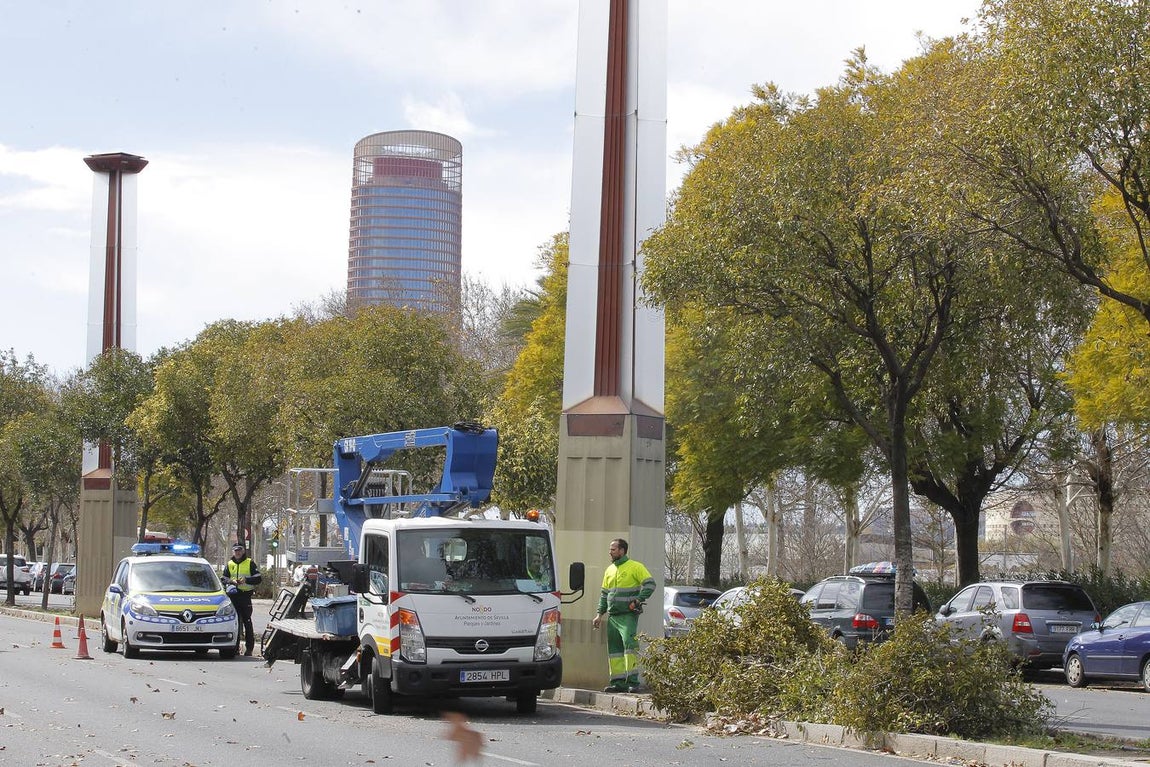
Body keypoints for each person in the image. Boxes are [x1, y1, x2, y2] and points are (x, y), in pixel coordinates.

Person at [591, 538, 656, 693]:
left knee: (629, 645)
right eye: (610, 549)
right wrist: (599, 614)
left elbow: (650, 584)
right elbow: (604, 594)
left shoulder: (635, 567)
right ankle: (618, 683)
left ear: (622, 550)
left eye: (613, 549)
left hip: (628, 615)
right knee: (614, 650)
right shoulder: (609, 570)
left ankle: (633, 681)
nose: (610, 552)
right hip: (613, 616)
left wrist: (638, 600)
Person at [222, 542, 262, 656]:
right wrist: (231, 581)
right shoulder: (229, 564)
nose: (237, 553)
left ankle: (249, 648)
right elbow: (223, 578)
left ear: (243, 551)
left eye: (239, 550)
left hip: (245, 596)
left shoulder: (250, 563)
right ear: (233, 552)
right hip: (233, 596)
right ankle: (235, 647)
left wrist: (246, 580)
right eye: (235, 551)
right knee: (235, 622)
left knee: (247, 622)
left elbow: (258, 578)